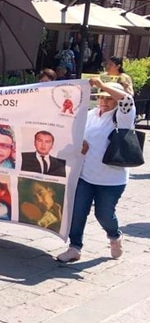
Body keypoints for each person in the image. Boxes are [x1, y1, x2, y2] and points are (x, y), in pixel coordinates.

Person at [56, 80, 133, 263]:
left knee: (104, 214)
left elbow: (127, 100)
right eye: (101, 97)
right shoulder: (90, 115)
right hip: (85, 175)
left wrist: (102, 84)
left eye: (109, 98)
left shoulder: (122, 116)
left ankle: (114, 235)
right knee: (77, 211)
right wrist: (79, 144)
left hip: (111, 179)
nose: (104, 101)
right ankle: (75, 247)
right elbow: (76, 134)